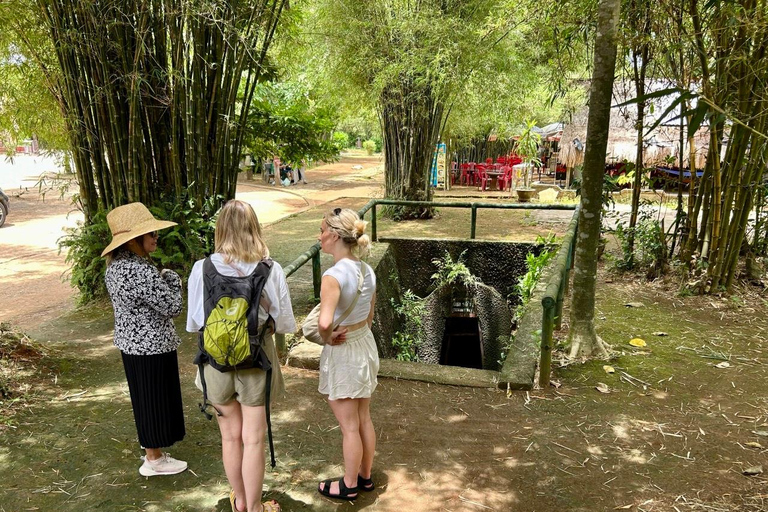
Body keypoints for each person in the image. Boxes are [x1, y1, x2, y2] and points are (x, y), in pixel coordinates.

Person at [186, 200, 295, 512]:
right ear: (254, 228)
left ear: (221, 230)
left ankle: (242, 502)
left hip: (214, 362)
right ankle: (257, 507)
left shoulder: (201, 268)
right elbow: (285, 322)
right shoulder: (270, 270)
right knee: (254, 439)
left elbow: (195, 322)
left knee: (230, 437)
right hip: (257, 361)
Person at [102, 202, 188, 477]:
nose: (155, 237)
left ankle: (154, 453)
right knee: (154, 400)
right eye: (150, 233)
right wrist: (173, 279)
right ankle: (153, 460)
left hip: (131, 343)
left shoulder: (116, 266)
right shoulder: (140, 271)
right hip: (151, 344)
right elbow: (172, 307)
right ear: (134, 240)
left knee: (145, 399)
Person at [315, 207, 378, 501]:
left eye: (322, 230)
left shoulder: (333, 275)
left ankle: (349, 484)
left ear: (335, 235)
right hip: (364, 344)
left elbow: (324, 323)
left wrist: (327, 338)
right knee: (363, 417)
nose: (319, 236)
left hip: (345, 350)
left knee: (349, 425)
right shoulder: (367, 270)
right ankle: (365, 477)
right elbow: (369, 316)